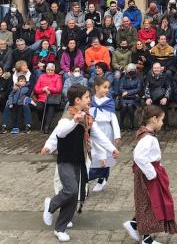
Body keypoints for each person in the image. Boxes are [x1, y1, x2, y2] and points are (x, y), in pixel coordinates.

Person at [42, 85, 119, 243]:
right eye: (87, 98)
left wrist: (111, 149)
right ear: (77, 100)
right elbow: (60, 133)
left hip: (80, 160)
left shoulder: (87, 117)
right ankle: (51, 205)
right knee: (70, 190)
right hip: (65, 161)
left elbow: (98, 135)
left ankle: (60, 228)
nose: (89, 100)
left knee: (74, 194)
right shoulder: (67, 117)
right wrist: (49, 146)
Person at [122, 105, 177, 244]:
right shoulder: (148, 138)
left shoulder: (147, 135)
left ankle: (134, 224)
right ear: (154, 119)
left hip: (151, 171)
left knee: (148, 202)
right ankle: (146, 240)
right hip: (148, 175)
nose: (163, 123)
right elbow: (139, 156)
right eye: (161, 120)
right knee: (150, 202)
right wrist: (152, 173)